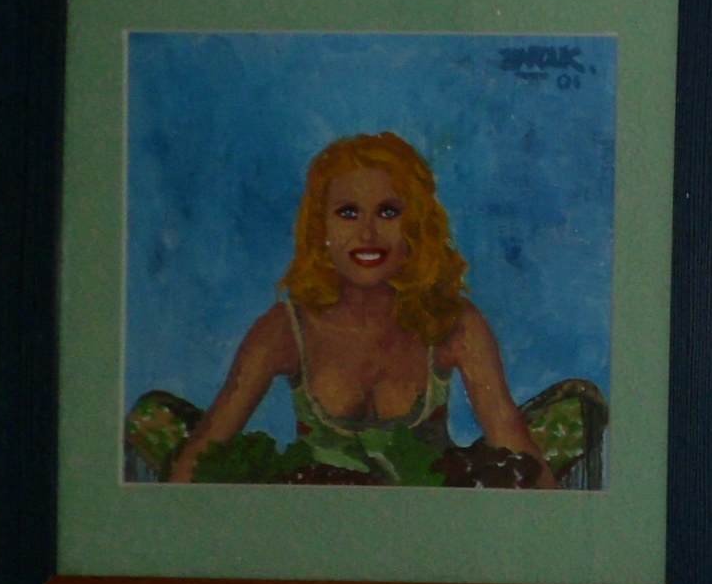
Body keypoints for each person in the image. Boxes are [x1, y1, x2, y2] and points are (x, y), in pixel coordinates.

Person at [169, 131, 557, 488]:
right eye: (348, 213)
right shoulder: (284, 330)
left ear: (416, 225)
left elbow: (515, 448)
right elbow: (200, 457)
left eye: (388, 212)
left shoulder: (455, 324)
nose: (367, 233)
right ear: (321, 228)